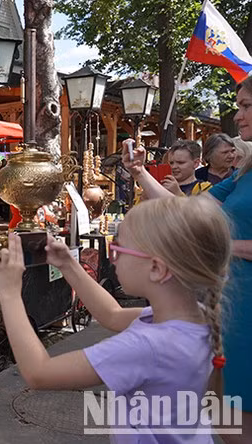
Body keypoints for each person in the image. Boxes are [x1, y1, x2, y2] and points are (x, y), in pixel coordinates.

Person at [0, 196, 229, 442]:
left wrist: (9, 293)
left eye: (119, 249)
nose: (113, 258)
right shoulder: (195, 316)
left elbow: (39, 373)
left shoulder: (146, 347)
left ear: (157, 269)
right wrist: (68, 264)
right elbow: (112, 315)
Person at [121, 75, 252, 442]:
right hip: (233, 312)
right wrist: (139, 172)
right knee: (229, 424)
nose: (237, 116)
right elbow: (185, 211)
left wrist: (225, 248)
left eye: (245, 106)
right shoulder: (245, 173)